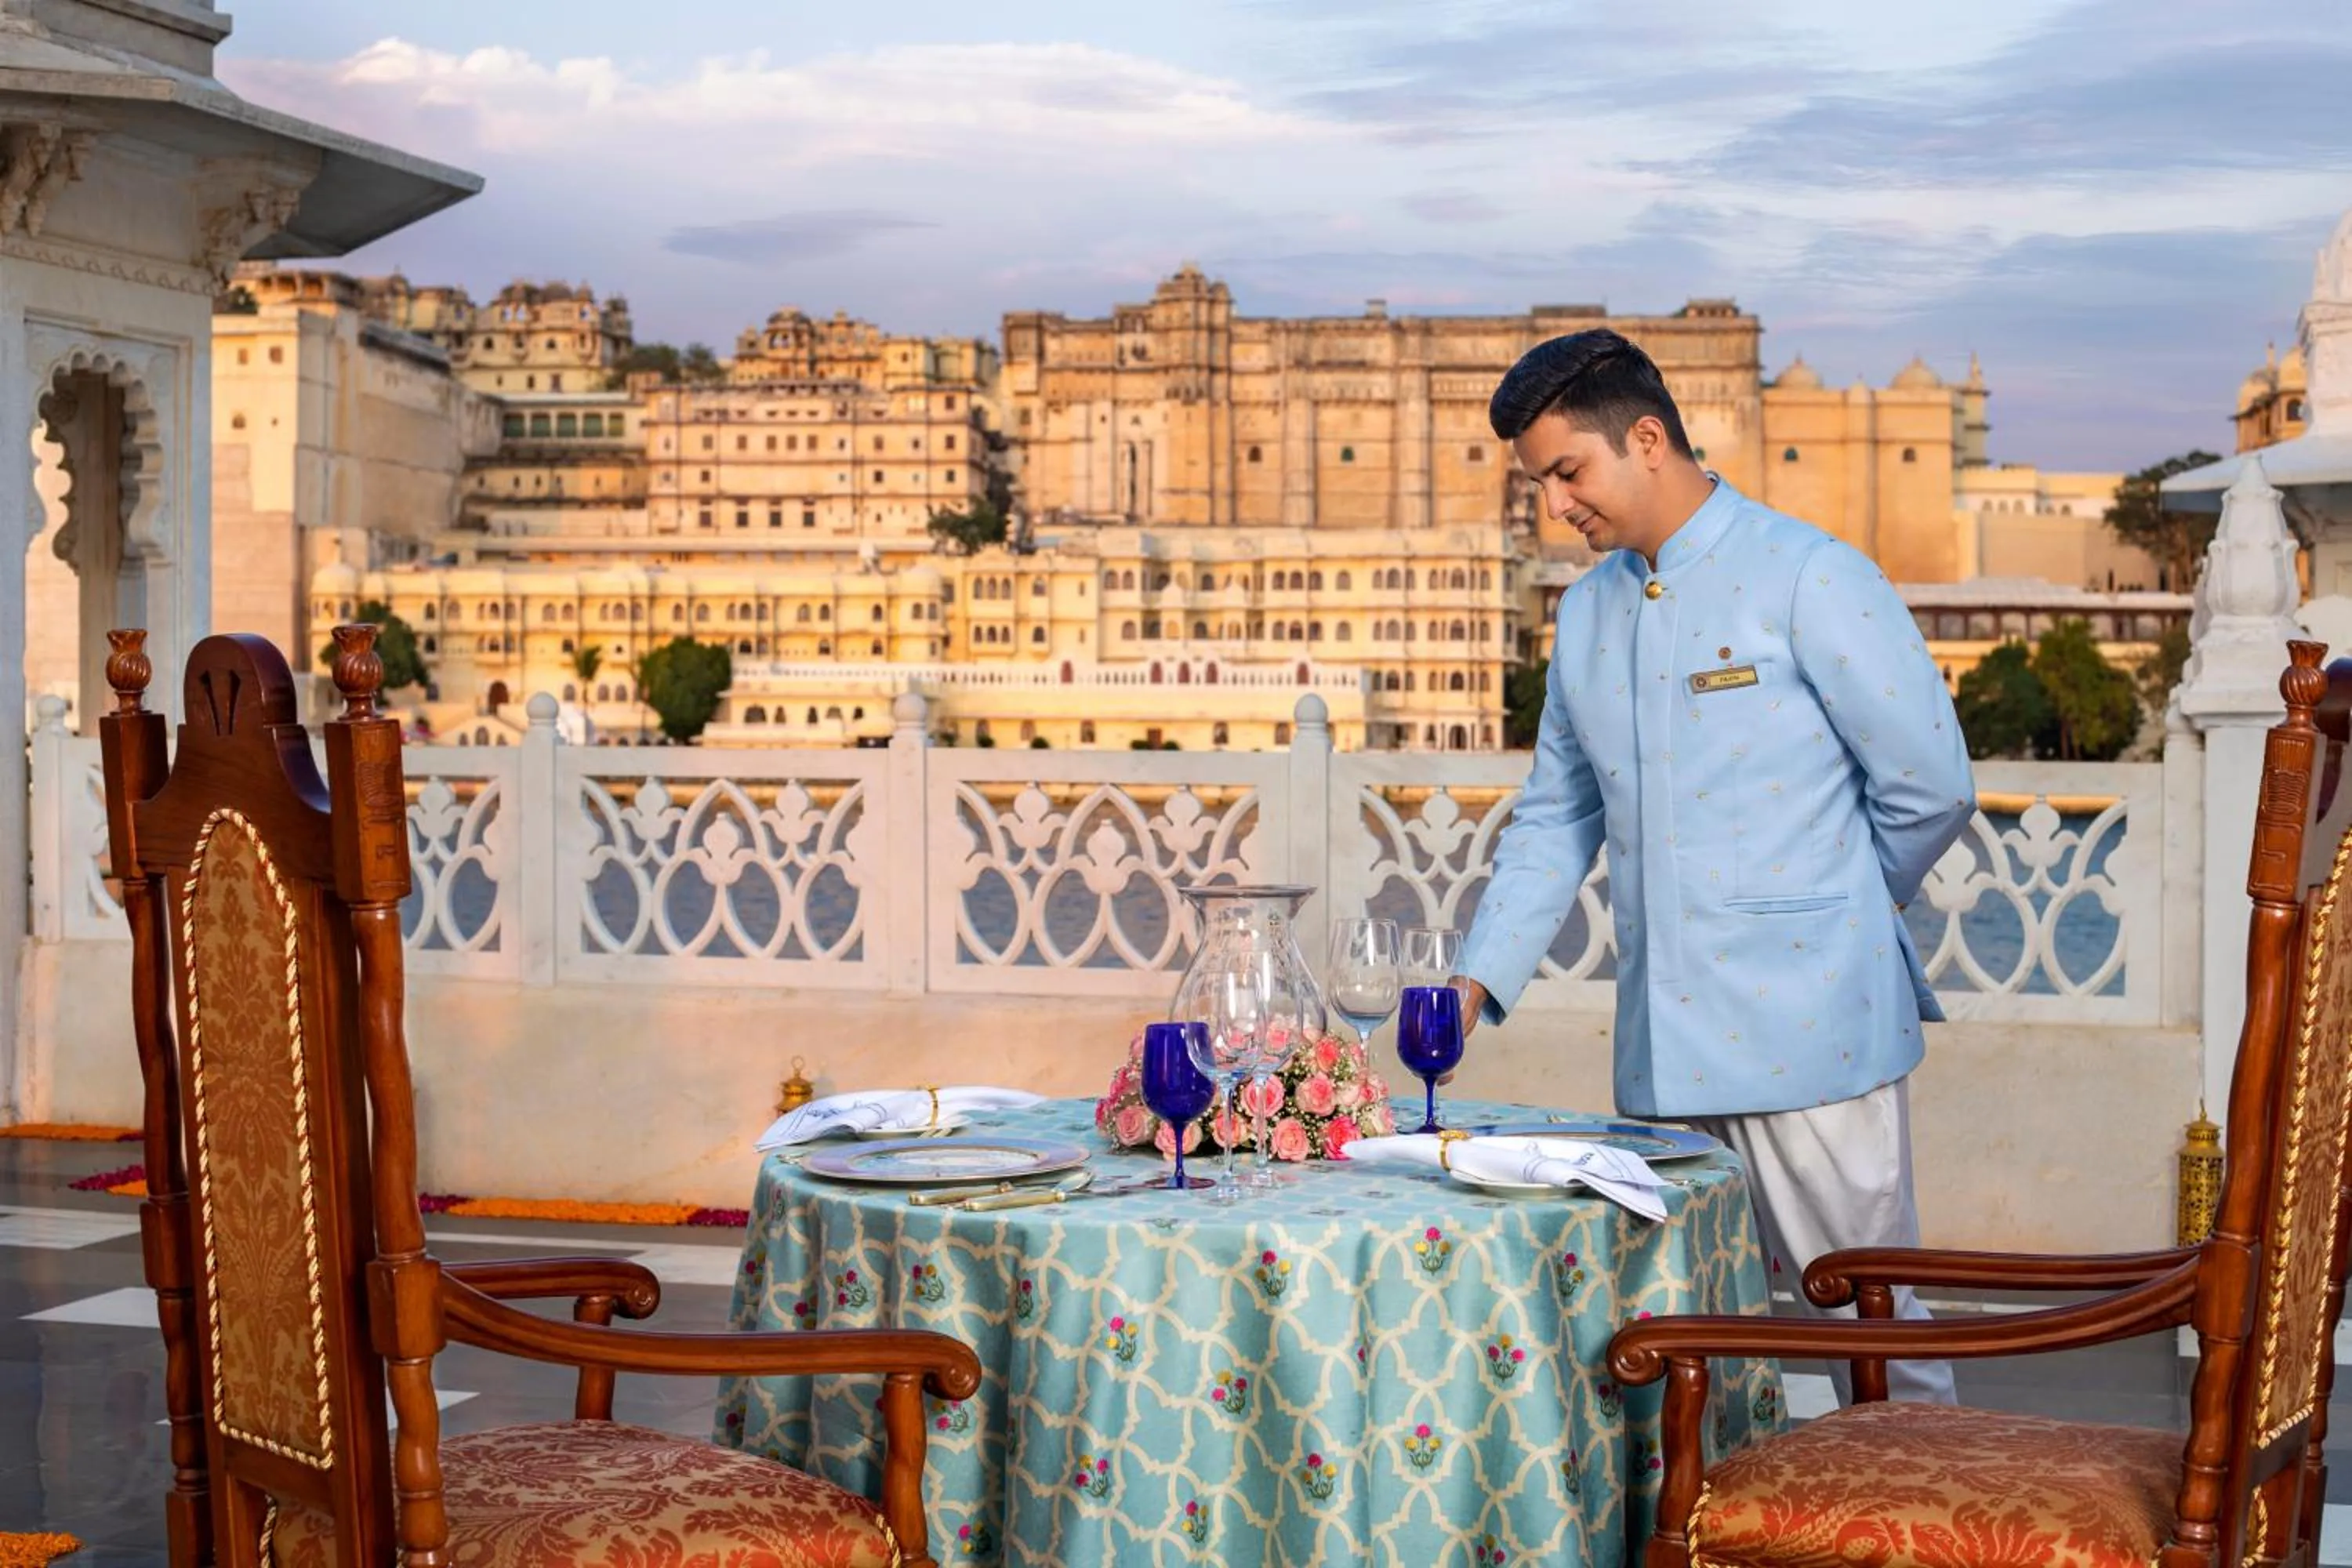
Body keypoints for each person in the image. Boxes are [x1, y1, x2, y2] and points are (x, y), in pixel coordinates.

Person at [1454, 328, 1975, 1405]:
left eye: (1567, 472)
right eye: (1543, 483)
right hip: (1663, 1058)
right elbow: (1558, 817)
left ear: (1646, 438)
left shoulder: (1811, 576)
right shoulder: (1587, 613)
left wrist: (1835, 908)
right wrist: (1474, 983)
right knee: (1692, 1343)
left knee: (1869, 1325)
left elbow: (1931, 784)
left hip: (1818, 1032)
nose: (1558, 505)